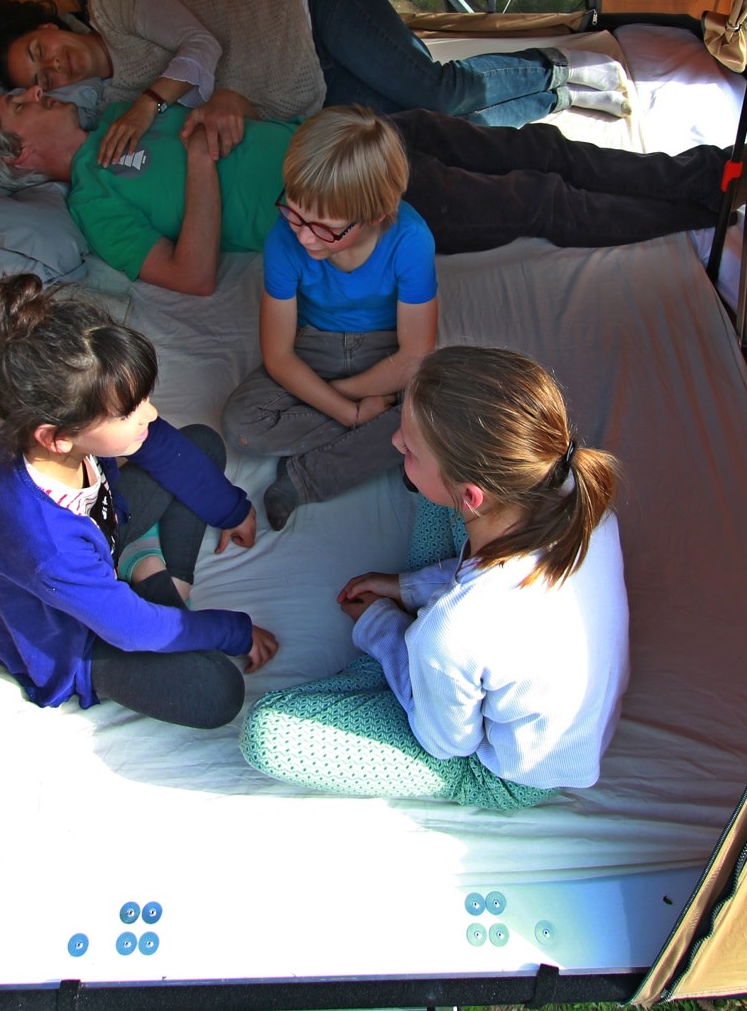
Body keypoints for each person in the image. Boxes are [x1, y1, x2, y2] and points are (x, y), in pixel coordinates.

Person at [240, 346, 630, 808]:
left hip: (501, 770)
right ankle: (408, 662)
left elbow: (447, 743)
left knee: (267, 734)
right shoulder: (571, 491)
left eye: (408, 449)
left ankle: (391, 666)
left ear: (472, 498)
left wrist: (383, 627)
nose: (393, 446)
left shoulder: (452, 632)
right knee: (432, 490)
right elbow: (492, 580)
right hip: (496, 664)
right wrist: (404, 588)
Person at [0, 85, 747, 296]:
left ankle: (715, 168)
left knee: (534, 142)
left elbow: (225, 103)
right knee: (535, 197)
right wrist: (202, 167)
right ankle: (704, 207)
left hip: (349, 131)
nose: (38, 92)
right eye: (20, 106)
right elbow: (193, 274)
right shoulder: (92, 204)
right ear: (25, 156)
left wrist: (228, 102)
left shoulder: (122, 121)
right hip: (344, 198)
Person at [0, 274, 276, 729]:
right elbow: (130, 630)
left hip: (105, 540)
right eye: (129, 411)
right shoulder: (45, 544)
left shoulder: (63, 431)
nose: (150, 412)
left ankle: (146, 563)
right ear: (57, 438)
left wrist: (233, 509)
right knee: (219, 692)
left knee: (199, 446)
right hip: (81, 639)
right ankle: (155, 580)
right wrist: (233, 630)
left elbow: (159, 443)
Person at [0, 0, 630, 165]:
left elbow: (202, 46)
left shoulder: (113, 0)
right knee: (427, 135)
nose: (55, 69)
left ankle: (549, 64)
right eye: (38, 79)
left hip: (308, 6)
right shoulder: (105, 103)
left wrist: (149, 101)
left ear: (47, 24)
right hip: (301, 87)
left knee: (440, 89)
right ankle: (558, 97)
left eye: (40, 51)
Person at [223, 107, 438, 530]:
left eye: (324, 228)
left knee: (439, 413)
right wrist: (352, 414)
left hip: (386, 350)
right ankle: (386, 441)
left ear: (375, 214)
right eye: (295, 213)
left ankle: (304, 479)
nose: (303, 236)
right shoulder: (284, 240)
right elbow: (280, 356)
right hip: (312, 344)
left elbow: (414, 355)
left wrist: (337, 394)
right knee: (241, 425)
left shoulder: (411, 240)